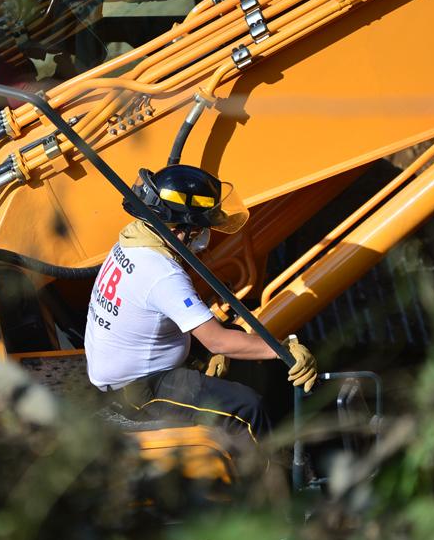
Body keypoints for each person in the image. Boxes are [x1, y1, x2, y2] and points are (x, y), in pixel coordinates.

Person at [84, 163, 317, 445]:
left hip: (132, 369)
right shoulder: (161, 272)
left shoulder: (133, 241)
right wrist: (284, 349)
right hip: (139, 391)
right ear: (181, 230)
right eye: (200, 229)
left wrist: (208, 352)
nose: (203, 237)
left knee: (243, 343)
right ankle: (270, 480)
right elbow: (218, 342)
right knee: (246, 408)